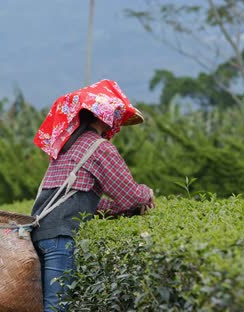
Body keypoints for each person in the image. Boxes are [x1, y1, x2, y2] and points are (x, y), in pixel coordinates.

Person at [31, 79, 155, 311]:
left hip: (40, 235)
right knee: (57, 307)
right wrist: (147, 194)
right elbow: (130, 195)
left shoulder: (66, 147)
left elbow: (85, 203)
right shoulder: (99, 148)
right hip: (60, 238)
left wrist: (120, 210)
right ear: (103, 116)